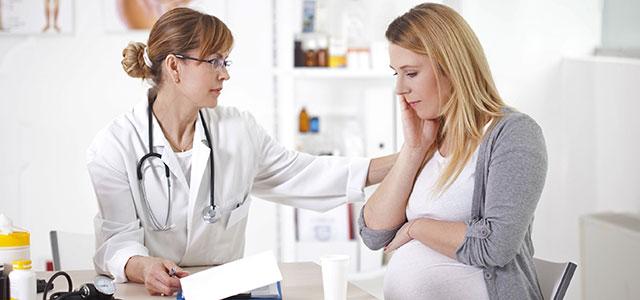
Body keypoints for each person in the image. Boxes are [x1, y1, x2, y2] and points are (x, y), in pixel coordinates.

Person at [87, 7, 396, 296]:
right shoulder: (116, 145)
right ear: (174, 66)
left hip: (222, 293)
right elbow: (116, 240)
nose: (225, 74)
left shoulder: (237, 131)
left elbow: (304, 174)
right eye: (213, 62)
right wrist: (142, 266)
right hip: (149, 295)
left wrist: (404, 160)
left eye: (225, 62)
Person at [358, 3, 547, 300]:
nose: (399, 89)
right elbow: (374, 233)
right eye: (396, 73)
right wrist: (413, 150)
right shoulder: (430, 136)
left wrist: (416, 228)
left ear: (452, 67)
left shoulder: (513, 135)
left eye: (411, 73)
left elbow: (495, 246)